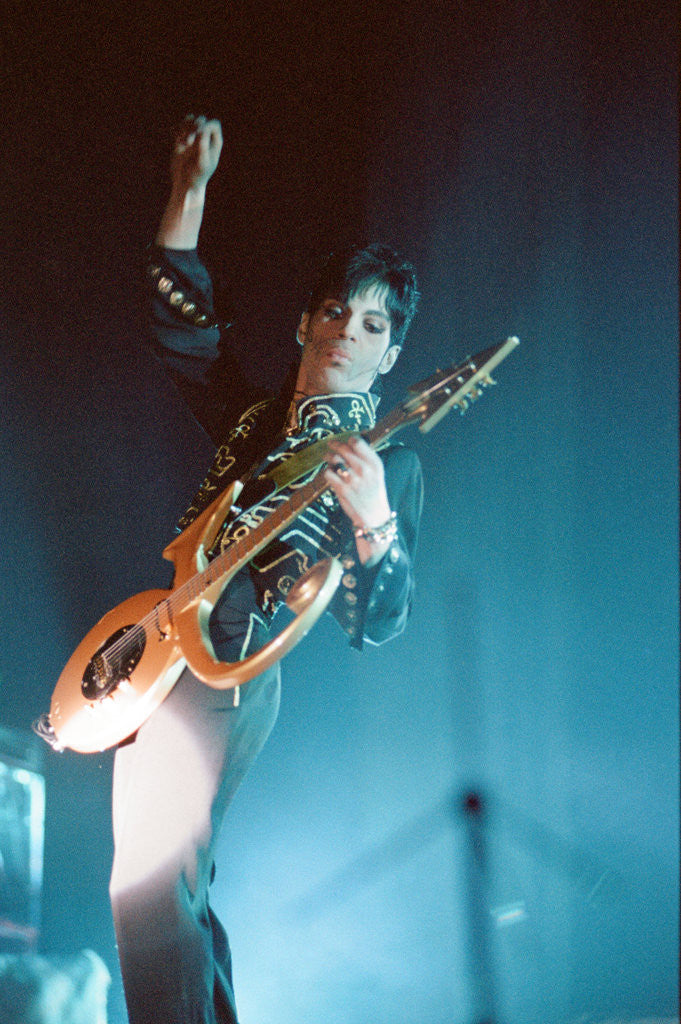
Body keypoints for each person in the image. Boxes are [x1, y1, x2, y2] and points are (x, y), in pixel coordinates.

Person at [108, 115, 423, 1024]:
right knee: (168, 883)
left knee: (150, 873)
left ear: (390, 355)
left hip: (230, 659)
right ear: (304, 323)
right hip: (162, 643)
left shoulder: (382, 456)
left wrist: (373, 526)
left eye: (370, 324)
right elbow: (183, 339)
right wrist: (189, 194)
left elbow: (376, 621)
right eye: (334, 312)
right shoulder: (257, 421)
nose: (345, 333)